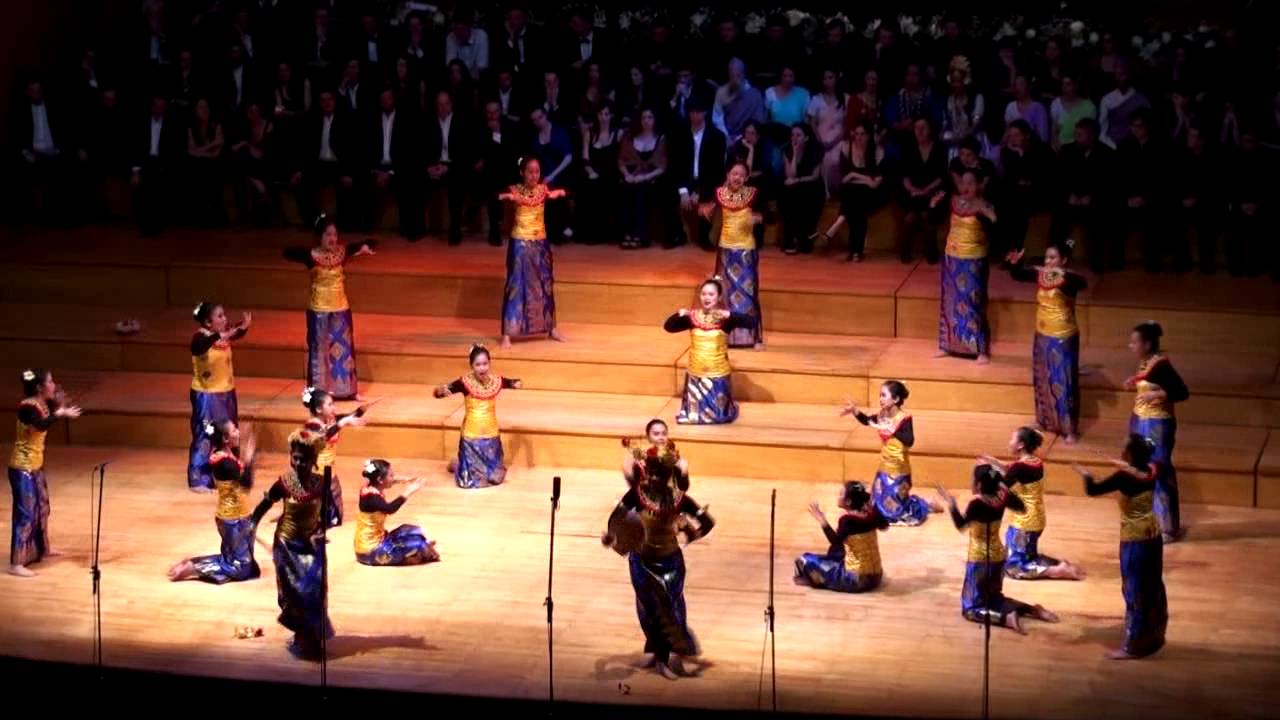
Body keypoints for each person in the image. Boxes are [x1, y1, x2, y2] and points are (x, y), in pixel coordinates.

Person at [602, 453, 715, 679]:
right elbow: (616, 520)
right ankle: (658, 654)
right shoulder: (637, 494)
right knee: (647, 608)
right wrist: (615, 539)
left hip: (670, 563)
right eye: (650, 475)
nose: (652, 479)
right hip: (641, 560)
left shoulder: (679, 499)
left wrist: (690, 535)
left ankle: (668, 657)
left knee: (669, 609)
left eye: (656, 476)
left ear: (666, 477)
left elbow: (707, 522)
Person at [1071, 435, 1168, 659]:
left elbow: (1094, 490)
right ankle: (1153, 636)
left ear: (1131, 454)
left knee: (1134, 589)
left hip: (1135, 540)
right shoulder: (1153, 469)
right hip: (1154, 536)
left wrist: (1086, 475)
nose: (1121, 450)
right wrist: (1127, 466)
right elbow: (1140, 472)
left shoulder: (1124, 477)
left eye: (1124, 448)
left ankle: (1134, 646)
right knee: (1152, 585)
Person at [937, 464, 1060, 633]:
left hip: (979, 559)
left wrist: (951, 504)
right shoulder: (1002, 497)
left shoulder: (976, 505)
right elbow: (1021, 507)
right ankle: (1031, 609)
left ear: (979, 485)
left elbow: (960, 525)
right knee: (994, 598)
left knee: (971, 608)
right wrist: (1003, 487)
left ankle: (1006, 618)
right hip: (999, 557)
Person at [251, 431, 333, 661]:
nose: (298, 463)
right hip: (287, 546)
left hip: (310, 546)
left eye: (303, 459)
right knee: (294, 593)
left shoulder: (321, 483)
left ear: (313, 460)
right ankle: (302, 636)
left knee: (315, 590)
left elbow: (326, 515)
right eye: (295, 458)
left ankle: (312, 637)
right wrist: (252, 526)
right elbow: (265, 504)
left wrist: (320, 532)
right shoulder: (284, 483)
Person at [283, 215, 375, 400]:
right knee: (319, 350)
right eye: (327, 235)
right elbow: (288, 252)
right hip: (319, 310)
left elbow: (362, 244)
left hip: (341, 308)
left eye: (334, 234)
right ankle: (318, 394)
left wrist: (364, 247)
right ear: (319, 237)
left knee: (343, 348)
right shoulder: (312, 256)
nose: (332, 238)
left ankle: (347, 390)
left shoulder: (342, 252)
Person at [978, 427, 1085, 580]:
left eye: (1012, 440)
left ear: (1020, 445)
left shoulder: (1019, 467)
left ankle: (1057, 570)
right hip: (1037, 518)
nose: (1009, 442)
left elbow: (1001, 483)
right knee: (1025, 554)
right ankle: (1060, 564)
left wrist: (987, 470)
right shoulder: (1035, 462)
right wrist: (994, 462)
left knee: (1013, 568)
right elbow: (1012, 469)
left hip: (1025, 522)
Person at [1007, 241, 1087, 441]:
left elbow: (1082, 282)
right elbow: (1018, 275)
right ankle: (1043, 420)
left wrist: (1062, 273)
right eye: (1046, 258)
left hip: (1063, 337)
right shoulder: (1041, 274)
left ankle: (1070, 429)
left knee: (1064, 382)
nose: (1048, 261)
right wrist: (1015, 264)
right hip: (1042, 334)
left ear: (1064, 260)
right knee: (1042, 379)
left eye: (1053, 258)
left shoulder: (1069, 280)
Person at [168, 420, 260, 583]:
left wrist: (246, 454)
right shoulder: (223, 462)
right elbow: (246, 484)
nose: (238, 433)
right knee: (241, 569)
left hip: (237, 517)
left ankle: (194, 562)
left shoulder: (225, 455)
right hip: (233, 519)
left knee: (242, 562)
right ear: (225, 439)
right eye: (234, 431)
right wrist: (250, 457)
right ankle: (194, 568)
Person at [9, 369, 81, 577]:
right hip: (22, 468)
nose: (54, 384)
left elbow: (56, 411)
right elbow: (39, 425)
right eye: (50, 382)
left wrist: (61, 404)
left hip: (36, 466)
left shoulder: (43, 404)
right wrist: (59, 413)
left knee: (42, 508)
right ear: (40, 388)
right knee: (26, 513)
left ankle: (43, 550)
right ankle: (16, 563)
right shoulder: (27, 408)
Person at [1125, 322, 1190, 541]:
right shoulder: (1147, 363)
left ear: (1147, 343)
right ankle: (1151, 521)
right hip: (1141, 422)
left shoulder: (1161, 365)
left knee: (1159, 470)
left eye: (1135, 342)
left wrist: (1157, 395)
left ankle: (1168, 527)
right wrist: (1133, 381)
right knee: (1143, 470)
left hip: (1158, 425)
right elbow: (1149, 382)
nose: (1130, 346)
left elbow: (1181, 391)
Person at [842, 381, 938, 525]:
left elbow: (909, 441)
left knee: (892, 513)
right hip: (884, 467)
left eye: (884, 395)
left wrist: (893, 429)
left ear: (896, 399)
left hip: (899, 470)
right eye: (880, 395)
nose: (880, 399)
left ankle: (925, 506)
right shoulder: (882, 415)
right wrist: (854, 411)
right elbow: (867, 420)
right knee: (877, 505)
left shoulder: (904, 419)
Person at [663, 279, 756, 425]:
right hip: (696, 371)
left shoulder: (725, 319)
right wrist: (678, 314)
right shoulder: (693, 317)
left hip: (717, 372)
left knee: (719, 418)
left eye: (711, 294)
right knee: (693, 417)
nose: (707, 298)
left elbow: (752, 323)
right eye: (704, 294)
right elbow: (669, 327)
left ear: (718, 297)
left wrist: (730, 315)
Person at [498, 157, 568, 348]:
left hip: (540, 244)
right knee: (515, 286)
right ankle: (507, 333)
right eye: (530, 171)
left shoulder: (542, 190)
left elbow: (551, 194)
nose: (534, 175)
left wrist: (559, 192)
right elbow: (501, 196)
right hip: (520, 243)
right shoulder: (514, 190)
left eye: (537, 171)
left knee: (545, 284)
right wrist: (506, 198)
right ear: (522, 172)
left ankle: (551, 328)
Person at [434, 345, 523, 488]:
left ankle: (459, 463)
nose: (482, 368)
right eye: (478, 365)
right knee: (468, 482)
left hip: (491, 432)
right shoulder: (464, 383)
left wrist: (516, 383)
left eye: (485, 364)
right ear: (472, 366)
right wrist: (440, 391)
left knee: (495, 478)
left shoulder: (496, 380)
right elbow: (441, 393)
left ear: (489, 363)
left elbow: (510, 382)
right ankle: (458, 465)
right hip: (471, 434)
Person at [700, 162, 765, 349]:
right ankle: (726, 336)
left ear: (746, 177)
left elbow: (768, 215)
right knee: (726, 292)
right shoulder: (720, 194)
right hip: (726, 250)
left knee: (747, 293)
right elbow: (710, 210)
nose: (736, 177)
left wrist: (758, 218)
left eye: (741, 175)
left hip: (745, 251)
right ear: (728, 175)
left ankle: (751, 337)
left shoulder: (753, 194)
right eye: (733, 174)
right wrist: (707, 210)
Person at [934, 169, 996, 363]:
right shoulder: (952, 201)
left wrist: (990, 215)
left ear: (979, 185)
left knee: (973, 302)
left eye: (971, 183)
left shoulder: (984, 205)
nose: (966, 187)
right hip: (952, 258)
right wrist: (933, 205)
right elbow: (933, 218)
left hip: (974, 261)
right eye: (963, 183)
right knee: (950, 301)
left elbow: (996, 227)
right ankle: (948, 345)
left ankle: (981, 350)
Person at [188, 301, 250, 492]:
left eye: (224, 315)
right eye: (220, 316)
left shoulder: (222, 335)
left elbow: (235, 332)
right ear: (208, 322)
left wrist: (244, 326)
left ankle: (228, 474)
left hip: (227, 393)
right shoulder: (200, 338)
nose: (225, 319)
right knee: (206, 435)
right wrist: (220, 335)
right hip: (207, 396)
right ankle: (200, 478)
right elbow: (197, 348)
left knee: (229, 434)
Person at [794, 481, 889, 593]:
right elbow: (884, 526)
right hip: (876, 576)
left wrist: (822, 520)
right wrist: (872, 508)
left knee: (804, 560)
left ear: (848, 501)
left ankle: (813, 580)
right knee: (838, 552)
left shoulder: (847, 520)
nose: (837, 496)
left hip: (857, 581)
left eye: (840, 494)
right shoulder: (870, 514)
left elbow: (835, 541)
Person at [300, 387, 375, 528]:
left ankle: (320, 526)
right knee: (319, 502)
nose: (334, 407)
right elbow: (323, 435)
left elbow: (350, 416)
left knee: (334, 511)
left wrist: (363, 409)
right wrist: (342, 423)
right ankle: (314, 529)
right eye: (330, 404)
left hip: (329, 468)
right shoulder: (312, 425)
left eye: (333, 403)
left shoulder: (331, 420)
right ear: (318, 409)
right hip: (315, 470)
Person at [816, 121, 884, 262]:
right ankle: (856, 252)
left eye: (862, 134)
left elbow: (876, 183)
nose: (858, 137)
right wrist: (862, 178)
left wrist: (855, 175)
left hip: (870, 195)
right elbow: (845, 178)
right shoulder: (846, 147)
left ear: (869, 136)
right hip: (851, 191)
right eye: (856, 134)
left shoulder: (877, 151)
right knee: (858, 209)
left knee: (858, 201)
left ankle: (840, 223)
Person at [354, 459, 438, 566]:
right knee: (417, 543)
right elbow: (390, 509)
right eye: (391, 475)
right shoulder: (372, 498)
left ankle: (418, 550)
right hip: (370, 551)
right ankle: (418, 553)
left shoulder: (370, 485)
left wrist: (403, 480)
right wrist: (408, 491)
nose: (393, 477)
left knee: (413, 530)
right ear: (380, 479)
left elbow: (386, 481)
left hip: (380, 538)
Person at [617, 107, 670, 249]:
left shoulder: (661, 139)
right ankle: (628, 233)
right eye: (644, 118)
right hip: (631, 177)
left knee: (641, 191)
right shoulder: (629, 138)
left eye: (650, 117)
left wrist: (645, 177)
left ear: (655, 120)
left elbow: (662, 166)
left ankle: (641, 235)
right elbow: (621, 161)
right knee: (627, 189)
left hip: (653, 178)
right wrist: (627, 175)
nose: (646, 121)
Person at [899, 118, 948, 263]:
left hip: (936, 191)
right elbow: (905, 177)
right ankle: (905, 253)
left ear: (931, 129)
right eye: (916, 127)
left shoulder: (939, 148)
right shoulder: (909, 148)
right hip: (914, 192)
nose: (919, 131)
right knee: (911, 217)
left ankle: (931, 253)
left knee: (928, 215)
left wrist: (926, 190)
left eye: (923, 127)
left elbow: (941, 176)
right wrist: (913, 189)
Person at [775, 123, 824, 255]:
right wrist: (795, 153)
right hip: (794, 186)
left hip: (812, 186)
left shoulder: (816, 150)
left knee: (799, 191)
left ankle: (805, 234)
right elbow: (790, 174)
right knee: (787, 192)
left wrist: (797, 180)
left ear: (806, 137)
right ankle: (790, 238)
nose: (794, 138)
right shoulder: (787, 149)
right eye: (792, 135)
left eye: (798, 135)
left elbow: (815, 176)